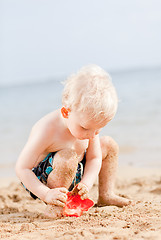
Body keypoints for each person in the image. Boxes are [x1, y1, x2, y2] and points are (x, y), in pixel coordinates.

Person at [15, 64, 132, 218]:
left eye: (98, 129)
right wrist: (46, 194)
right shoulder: (47, 129)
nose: (92, 135)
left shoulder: (89, 125)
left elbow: (94, 158)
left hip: (75, 169)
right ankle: (56, 204)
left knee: (109, 144)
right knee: (67, 156)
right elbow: (22, 168)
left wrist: (86, 183)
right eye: (85, 128)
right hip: (44, 178)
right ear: (66, 112)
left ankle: (106, 195)